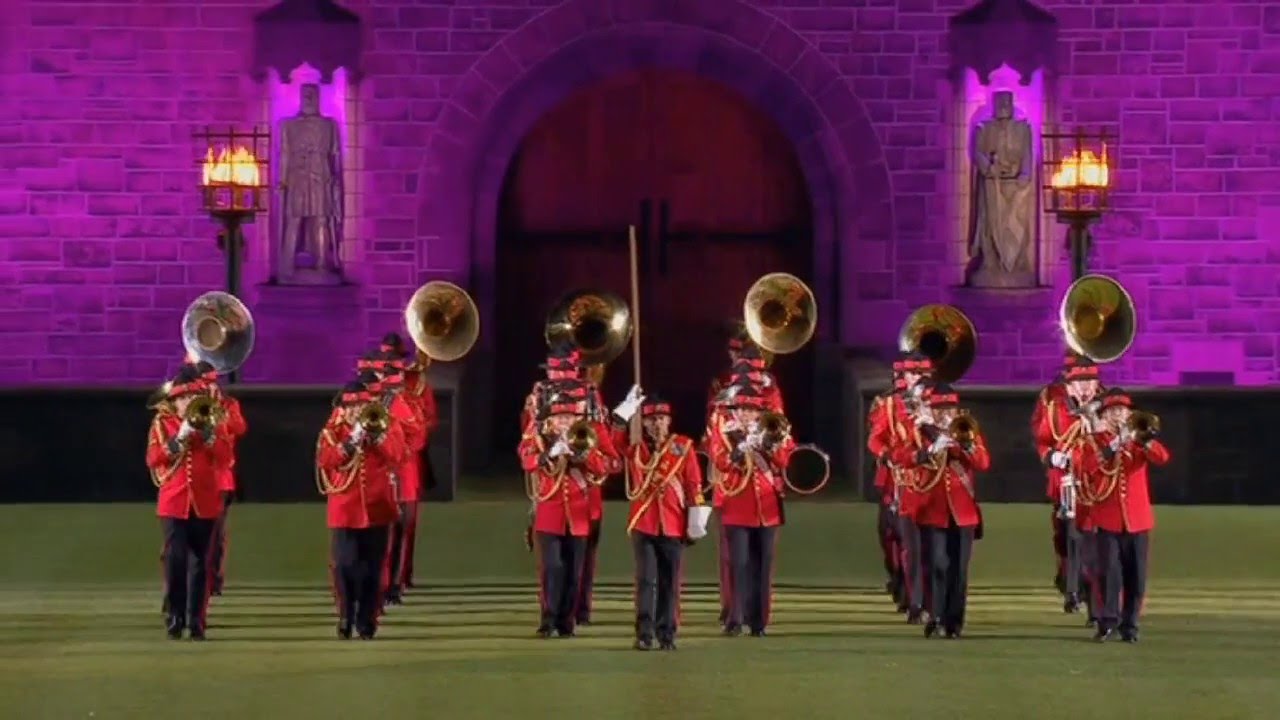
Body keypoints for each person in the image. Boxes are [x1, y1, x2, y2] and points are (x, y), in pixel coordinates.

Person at [889, 385, 989, 639]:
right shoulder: (919, 432)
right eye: (940, 410)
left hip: (962, 512)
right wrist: (929, 450)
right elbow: (900, 455)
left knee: (959, 570)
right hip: (932, 509)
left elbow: (984, 463)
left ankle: (954, 622)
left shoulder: (967, 431)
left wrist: (964, 446)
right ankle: (935, 615)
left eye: (949, 410)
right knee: (936, 565)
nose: (945, 415)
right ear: (931, 411)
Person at [1070, 389, 1170, 643]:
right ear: (1105, 416)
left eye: (1122, 411)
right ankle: (1107, 622)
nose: (1118, 416)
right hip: (1109, 518)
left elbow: (1162, 457)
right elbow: (1089, 468)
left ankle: (1131, 625)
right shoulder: (1095, 441)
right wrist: (1114, 445)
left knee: (1136, 577)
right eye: (1113, 412)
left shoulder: (1139, 440)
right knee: (1109, 574)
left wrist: (1143, 440)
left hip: (1137, 519)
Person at [518, 392, 616, 638]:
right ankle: (548, 620)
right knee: (552, 568)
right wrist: (548, 454)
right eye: (560, 418)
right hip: (550, 516)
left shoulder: (584, 439)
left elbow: (604, 467)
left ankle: (566, 623)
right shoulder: (539, 439)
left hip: (578, 518)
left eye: (569, 418)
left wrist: (583, 455)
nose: (565, 423)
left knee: (574, 572)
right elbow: (526, 459)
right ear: (550, 421)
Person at [146, 364, 233, 640]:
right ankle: (175, 615)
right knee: (175, 559)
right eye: (182, 399)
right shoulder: (162, 423)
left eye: (191, 398)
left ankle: (196, 620)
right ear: (174, 402)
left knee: (200, 564)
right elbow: (153, 459)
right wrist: (179, 437)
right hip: (174, 500)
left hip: (205, 501)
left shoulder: (212, 420)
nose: (186, 403)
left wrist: (209, 436)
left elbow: (224, 457)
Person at [615, 394, 708, 651]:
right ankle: (644, 633)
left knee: (670, 582)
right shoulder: (636, 448)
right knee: (646, 580)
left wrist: (695, 521)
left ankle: (667, 632)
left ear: (669, 421)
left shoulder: (682, 447)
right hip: (644, 522)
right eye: (652, 420)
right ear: (643, 423)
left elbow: (693, 485)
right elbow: (611, 440)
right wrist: (625, 410)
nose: (657, 424)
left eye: (661, 419)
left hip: (673, 524)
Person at [316, 380, 408, 640]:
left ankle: (367, 619)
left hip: (378, 507)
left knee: (373, 568)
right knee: (345, 565)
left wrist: (378, 439)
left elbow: (398, 456)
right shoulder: (332, 432)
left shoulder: (385, 426)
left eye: (361, 405)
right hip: (346, 509)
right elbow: (326, 460)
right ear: (343, 409)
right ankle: (346, 613)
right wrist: (350, 442)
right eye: (352, 406)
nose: (357, 410)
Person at [707, 382, 795, 637]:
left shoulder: (774, 429)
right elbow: (721, 462)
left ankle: (759, 621)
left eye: (750, 410)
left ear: (759, 413)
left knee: (763, 565)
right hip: (737, 506)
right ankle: (735, 618)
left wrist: (768, 444)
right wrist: (741, 448)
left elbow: (785, 461)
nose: (745, 414)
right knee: (738, 564)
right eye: (741, 409)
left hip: (767, 509)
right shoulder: (724, 432)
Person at [867, 351, 934, 623]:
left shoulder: (937, 403)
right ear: (903, 376)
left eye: (921, 375)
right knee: (897, 540)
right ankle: (908, 591)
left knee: (928, 544)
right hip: (898, 478)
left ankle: (922, 598)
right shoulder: (891, 405)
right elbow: (875, 439)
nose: (916, 379)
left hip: (930, 479)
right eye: (911, 374)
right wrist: (887, 455)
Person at [1034, 355, 1105, 613]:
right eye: (1080, 382)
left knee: (1092, 538)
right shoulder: (1054, 405)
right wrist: (1052, 456)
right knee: (1067, 536)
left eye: (1090, 381)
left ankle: (1086, 591)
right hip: (1065, 478)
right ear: (1069, 385)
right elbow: (1042, 438)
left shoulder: (1107, 407)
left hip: (1096, 483)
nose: (1085, 387)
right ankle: (1070, 584)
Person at [368, 343, 429, 606]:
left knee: (400, 533)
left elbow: (419, 436)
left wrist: (396, 449)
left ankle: (394, 585)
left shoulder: (407, 402)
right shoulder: (368, 400)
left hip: (403, 475)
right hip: (376, 476)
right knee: (377, 535)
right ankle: (377, 585)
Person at [194, 360, 247, 597]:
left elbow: (240, 428)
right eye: (205, 383)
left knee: (215, 534)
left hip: (220, 478)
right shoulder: (187, 408)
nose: (210, 387)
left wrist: (220, 409)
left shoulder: (228, 404)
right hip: (192, 479)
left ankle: (212, 579)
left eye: (213, 382)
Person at [396, 340, 439, 589]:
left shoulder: (418, 385)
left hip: (408, 463)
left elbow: (429, 421)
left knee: (408, 526)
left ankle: (403, 575)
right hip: (385, 469)